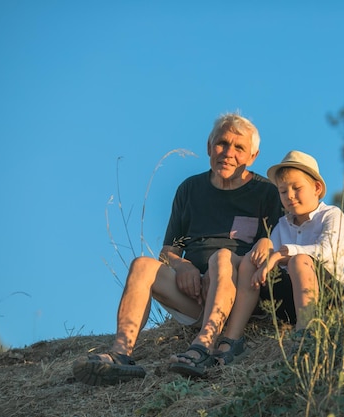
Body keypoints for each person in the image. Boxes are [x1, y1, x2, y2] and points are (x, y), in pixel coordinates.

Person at [73, 113, 283, 385]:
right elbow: (171, 249)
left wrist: (224, 271)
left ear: (253, 156)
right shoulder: (190, 190)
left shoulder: (266, 193)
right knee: (142, 265)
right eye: (222, 143)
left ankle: (203, 347)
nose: (228, 153)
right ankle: (120, 354)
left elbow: (274, 248)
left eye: (239, 147)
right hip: (194, 296)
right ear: (209, 147)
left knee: (222, 258)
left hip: (239, 295)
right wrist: (182, 264)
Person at [213, 150, 344, 364]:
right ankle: (232, 339)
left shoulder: (331, 215)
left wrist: (282, 253)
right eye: (283, 191)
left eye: (297, 188)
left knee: (299, 260)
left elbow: (327, 251)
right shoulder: (282, 225)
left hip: (334, 297)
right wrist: (265, 260)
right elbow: (271, 260)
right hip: (292, 301)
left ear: (317, 188)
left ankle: (306, 337)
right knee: (252, 262)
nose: (289, 195)